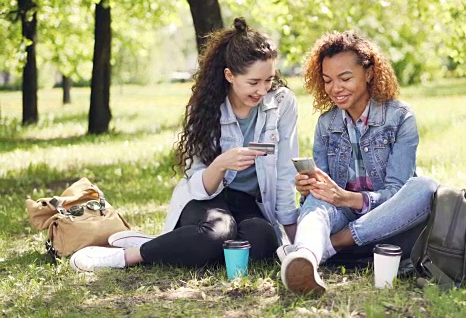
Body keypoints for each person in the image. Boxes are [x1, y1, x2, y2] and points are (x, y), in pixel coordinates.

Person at [70, 18, 300, 272]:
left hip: (248, 202)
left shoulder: (281, 104)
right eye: (253, 82)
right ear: (230, 75)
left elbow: (284, 172)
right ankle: (126, 256)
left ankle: (169, 243)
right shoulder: (206, 108)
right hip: (206, 198)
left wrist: (295, 237)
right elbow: (198, 184)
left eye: (268, 80)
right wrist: (222, 164)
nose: (262, 90)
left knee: (262, 240)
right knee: (217, 233)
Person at [279, 31, 438, 295]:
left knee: (425, 187)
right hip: (342, 216)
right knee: (317, 200)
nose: (335, 89)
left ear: (369, 73)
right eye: (328, 80)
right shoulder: (327, 124)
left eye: (345, 78)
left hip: (388, 219)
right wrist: (309, 187)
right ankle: (305, 257)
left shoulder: (400, 118)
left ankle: (328, 247)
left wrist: (347, 198)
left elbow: (396, 194)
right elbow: (325, 194)